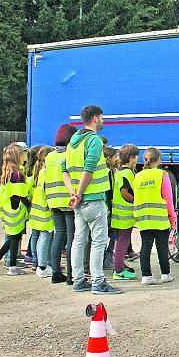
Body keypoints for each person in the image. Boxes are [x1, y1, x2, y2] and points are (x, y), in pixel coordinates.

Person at [64, 105, 122, 295]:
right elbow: (88, 169)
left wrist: (73, 193)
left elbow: (64, 169)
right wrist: (80, 192)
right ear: (95, 118)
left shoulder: (73, 142)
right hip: (93, 199)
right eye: (102, 117)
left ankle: (78, 280)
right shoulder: (94, 140)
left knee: (79, 240)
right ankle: (98, 282)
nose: (103, 121)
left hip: (79, 201)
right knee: (98, 241)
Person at [133, 147, 176, 286]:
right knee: (162, 247)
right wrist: (173, 218)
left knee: (145, 246)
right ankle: (165, 274)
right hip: (160, 217)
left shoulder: (138, 176)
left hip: (144, 217)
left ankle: (146, 275)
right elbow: (168, 199)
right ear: (159, 160)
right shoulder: (162, 175)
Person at [0, 145, 31, 276]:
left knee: (13, 237)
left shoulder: (8, 172)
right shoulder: (16, 174)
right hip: (16, 210)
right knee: (14, 238)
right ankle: (12, 266)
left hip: (9, 209)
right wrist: (29, 204)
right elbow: (19, 194)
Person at [46, 124, 77, 284]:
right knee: (72, 237)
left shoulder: (49, 156)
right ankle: (71, 275)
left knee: (58, 236)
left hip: (53, 200)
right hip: (69, 199)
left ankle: (55, 272)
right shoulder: (70, 155)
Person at [110, 144, 138, 281]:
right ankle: (119, 271)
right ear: (131, 158)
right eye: (136, 156)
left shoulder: (119, 171)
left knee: (120, 241)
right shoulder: (127, 173)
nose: (137, 159)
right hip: (125, 215)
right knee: (123, 242)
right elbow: (124, 192)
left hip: (118, 213)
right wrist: (135, 200)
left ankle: (119, 267)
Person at [28, 146, 56, 278]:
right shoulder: (46, 172)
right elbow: (47, 190)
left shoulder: (38, 170)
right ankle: (42, 266)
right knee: (45, 236)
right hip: (45, 209)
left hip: (37, 208)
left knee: (40, 236)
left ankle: (40, 263)